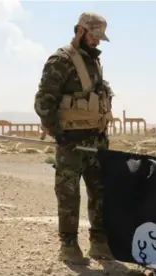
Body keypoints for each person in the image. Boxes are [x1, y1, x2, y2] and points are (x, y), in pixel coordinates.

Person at [34, 12, 114, 265]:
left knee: (100, 192)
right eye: (93, 35)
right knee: (69, 195)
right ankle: (69, 246)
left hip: (97, 141)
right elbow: (44, 101)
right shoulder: (61, 60)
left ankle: (99, 242)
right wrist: (60, 135)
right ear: (79, 31)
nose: (97, 41)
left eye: (100, 37)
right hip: (71, 142)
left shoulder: (94, 62)